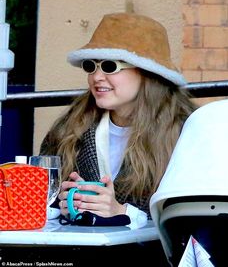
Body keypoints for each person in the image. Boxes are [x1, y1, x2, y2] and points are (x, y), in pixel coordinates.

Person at [39, 12, 196, 229]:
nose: (96, 76)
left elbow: (190, 216)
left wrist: (122, 212)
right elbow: (44, 200)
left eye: (110, 66)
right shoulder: (68, 129)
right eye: (90, 65)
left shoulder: (184, 132)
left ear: (147, 73)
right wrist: (64, 206)